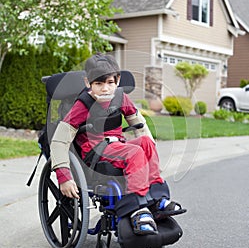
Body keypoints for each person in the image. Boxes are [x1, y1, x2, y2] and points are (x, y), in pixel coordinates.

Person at [51, 53, 185, 236]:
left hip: (117, 146)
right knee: (135, 153)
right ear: (87, 82)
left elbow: (139, 123)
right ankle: (136, 208)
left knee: (145, 142)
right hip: (94, 152)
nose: (105, 89)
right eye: (98, 84)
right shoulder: (82, 105)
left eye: (110, 83)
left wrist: (150, 153)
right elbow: (59, 141)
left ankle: (157, 198)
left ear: (118, 81)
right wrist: (64, 177)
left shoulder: (120, 98)